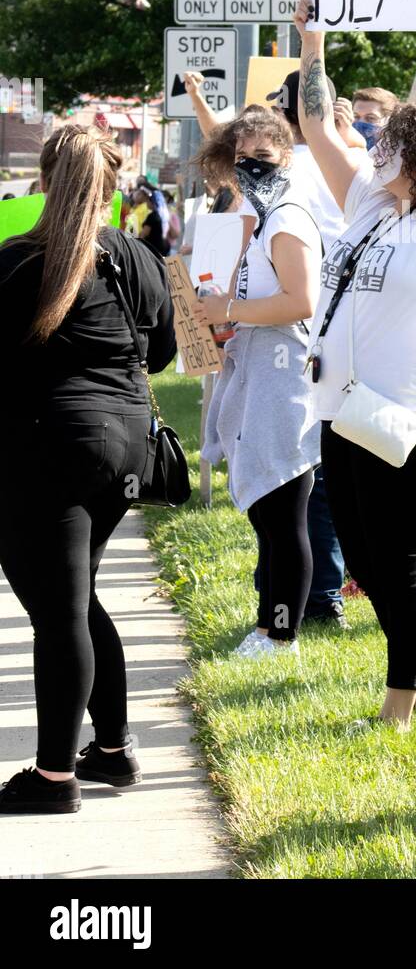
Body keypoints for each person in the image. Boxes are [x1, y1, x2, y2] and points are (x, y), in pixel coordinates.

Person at [295, 0, 416, 730]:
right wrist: (311, 41)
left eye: (395, 142)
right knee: (367, 567)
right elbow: (316, 126)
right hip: (346, 409)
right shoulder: (373, 204)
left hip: (406, 418)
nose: (379, 148)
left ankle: (396, 714)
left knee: (400, 570)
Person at [0, 125, 176, 814]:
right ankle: (112, 749)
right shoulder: (139, 258)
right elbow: (160, 355)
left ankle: (52, 780)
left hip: (46, 448)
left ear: (45, 180)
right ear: (114, 190)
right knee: (76, 599)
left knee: (58, 609)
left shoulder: (16, 262)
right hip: (124, 446)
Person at [195, 106, 321, 658]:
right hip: (258, 369)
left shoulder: (289, 217)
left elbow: (300, 302)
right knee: (266, 512)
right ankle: (266, 624)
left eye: (263, 158)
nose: (251, 168)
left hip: (284, 373)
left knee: (283, 507)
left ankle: (283, 631)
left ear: (287, 157)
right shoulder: (261, 215)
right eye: (242, 158)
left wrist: (232, 308)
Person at [264, 68, 350, 628]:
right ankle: (326, 591)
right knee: (324, 470)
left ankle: (320, 597)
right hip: (337, 330)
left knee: (307, 474)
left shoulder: (299, 167)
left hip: (310, 331)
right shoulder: (348, 158)